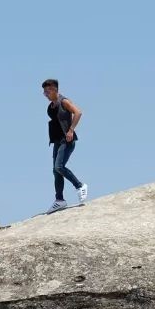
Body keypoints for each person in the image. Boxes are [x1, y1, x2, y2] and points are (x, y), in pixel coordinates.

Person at [42, 79, 88, 213]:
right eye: (44, 91)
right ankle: (60, 200)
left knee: (59, 166)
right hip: (57, 141)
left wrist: (71, 130)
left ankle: (80, 186)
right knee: (56, 171)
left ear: (55, 89)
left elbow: (78, 112)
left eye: (48, 91)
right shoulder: (51, 106)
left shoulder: (64, 101)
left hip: (67, 141)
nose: (45, 93)